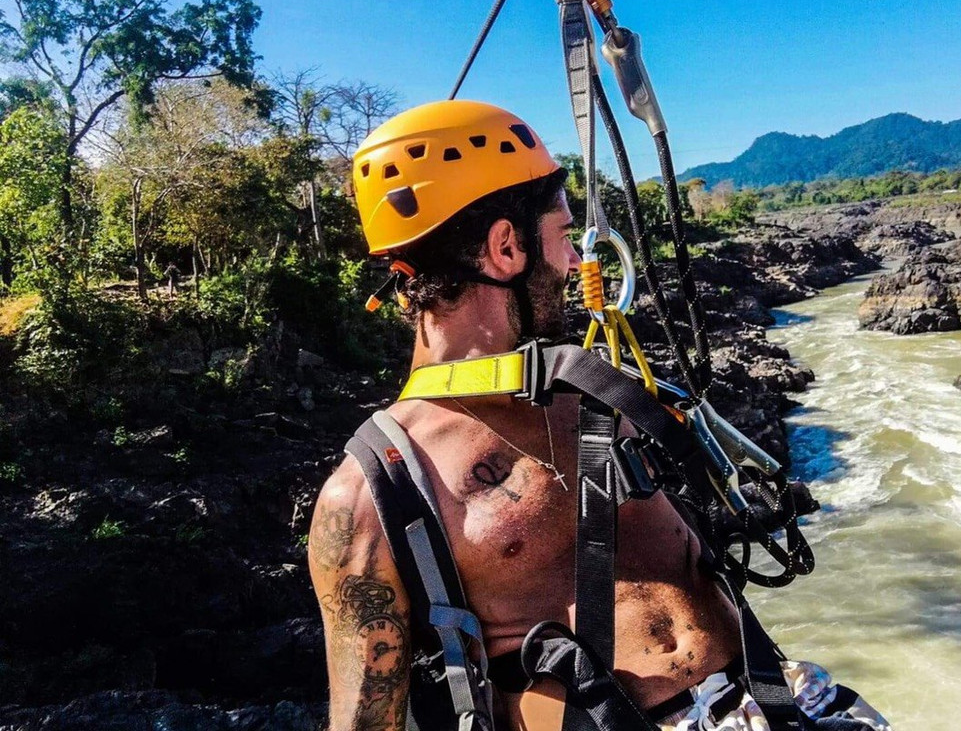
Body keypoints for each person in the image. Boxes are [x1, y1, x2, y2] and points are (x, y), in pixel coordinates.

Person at [308, 100, 890, 731]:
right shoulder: (374, 491)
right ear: (505, 248)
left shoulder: (602, 390)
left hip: (773, 699)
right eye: (563, 239)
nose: (574, 266)